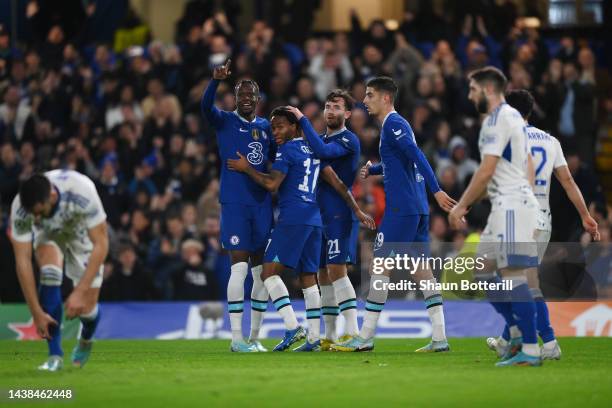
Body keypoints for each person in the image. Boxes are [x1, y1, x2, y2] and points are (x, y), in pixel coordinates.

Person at [227, 107, 374, 352]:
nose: (275, 132)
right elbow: (337, 183)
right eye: (273, 127)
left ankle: (292, 325)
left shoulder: (288, 151)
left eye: (281, 126)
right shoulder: (314, 150)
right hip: (314, 220)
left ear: (294, 127)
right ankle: (314, 338)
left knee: (268, 273)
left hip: (293, 218)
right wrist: (356, 209)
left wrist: (247, 168)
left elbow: (271, 183)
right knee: (308, 277)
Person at [333, 76, 456, 352]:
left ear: (385, 98)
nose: (365, 100)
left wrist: (436, 190)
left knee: (380, 267)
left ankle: (365, 336)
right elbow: (402, 164)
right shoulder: (398, 125)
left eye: (369, 95)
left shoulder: (394, 124)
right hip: (417, 209)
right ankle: (439, 338)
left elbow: (417, 156)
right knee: (422, 272)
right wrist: (375, 169)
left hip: (402, 210)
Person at [485, 89, 600, 360]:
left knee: (509, 280)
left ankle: (546, 342)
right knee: (521, 282)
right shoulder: (551, 141)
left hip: (520, 218)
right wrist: (585, 215)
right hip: (542, 219)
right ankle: (510, 338)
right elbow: (568, 182)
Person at [448, 67, 542, 367]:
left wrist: (461, 205)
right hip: (506, 203)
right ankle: (515, 333)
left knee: (513, 275)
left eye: (473, 89)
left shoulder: (498, 118)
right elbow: (520, 164)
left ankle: (530, 349)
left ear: (488, 90)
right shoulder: (509, 119)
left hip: (512, 206)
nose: (469, 95)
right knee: (484, 272)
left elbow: (486, 169)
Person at [201, 59, 275, 352]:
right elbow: (206, 108)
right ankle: (235, 338)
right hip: (234, 204)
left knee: (260, 273)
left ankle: (254, 338)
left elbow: (275, 162)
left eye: (251, 95)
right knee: (239, 269)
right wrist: (214, 81)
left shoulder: (267, 127)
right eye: (241, 94)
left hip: (261, 205)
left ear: (258, 99)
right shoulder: (225, 121)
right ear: (234, 98)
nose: (246, 99)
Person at [285, 90, 361, 350]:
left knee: (337, 271)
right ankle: (327, 336)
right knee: (322, 274)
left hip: (338, 213)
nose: (330, 111)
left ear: (347, 114)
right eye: (328, 106)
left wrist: (302, 120)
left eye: (337, 107)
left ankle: (353, 333)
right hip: (317, 214)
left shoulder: (349, 140)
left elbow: (320, 150)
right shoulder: (324, 138)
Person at [9, 170, 109, 371]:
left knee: (87, 311)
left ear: (53, 196)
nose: (35, 218)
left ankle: (86, 339)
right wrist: (36, 312)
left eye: (40, 212)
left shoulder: (82, 191)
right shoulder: (20, 208)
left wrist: (79, 291)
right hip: (49, 234)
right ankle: (55, 356)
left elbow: (102, 243)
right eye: (32, 214)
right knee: (49, 273)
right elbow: (22, 261)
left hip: (81, 234)